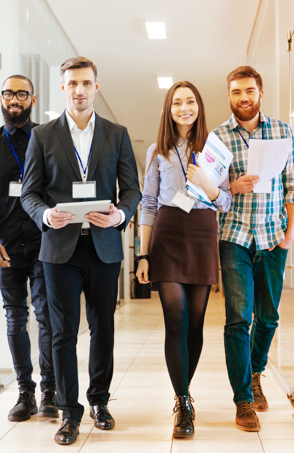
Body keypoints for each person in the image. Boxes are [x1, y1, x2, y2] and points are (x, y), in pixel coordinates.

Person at [20, 56, 141, 446]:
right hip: (60, 249)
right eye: (72, 83)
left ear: (96, 86)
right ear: (62, 87)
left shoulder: (117, 134)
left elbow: (132, 191)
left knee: (103, 328)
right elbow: (29, 194)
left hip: (104, 246)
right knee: (62, 332)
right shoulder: (43, 136)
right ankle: (69, 412)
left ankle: (99, 402)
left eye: (86, 83)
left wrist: (121, 214)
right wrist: (46, 214)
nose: (79, 90)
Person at [136, 81, 231, 438]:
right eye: (177, 103)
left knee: (195, 323)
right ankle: (183, 403)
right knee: (175, 317)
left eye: (190, 101)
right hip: (168, 230)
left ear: (199, 106)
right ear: (169, 109)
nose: (184, 108)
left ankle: (184, 390)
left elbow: (225, 201)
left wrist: (208, 185)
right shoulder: (158, 151)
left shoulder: (215, 148)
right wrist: (143, 254)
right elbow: (147, 203)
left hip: (203, 232)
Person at [0, 75, 57, 421]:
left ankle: (50, 390)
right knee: (14, 318)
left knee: (46, 316)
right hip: (4, 246)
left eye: (22, 93)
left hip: (42, 242)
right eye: (8, 93)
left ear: (32, 100)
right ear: (2, 98)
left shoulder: (48, 140)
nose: (14, 99)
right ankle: (25, 392)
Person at [213, 66, 294, 432]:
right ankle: (243, 399)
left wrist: (290, 233)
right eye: (235, 92)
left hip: (274, 236)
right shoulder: (217, 137)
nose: (242, 98)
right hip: (235, 238)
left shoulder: (282, 131)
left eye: (248, 91)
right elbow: (208, 196)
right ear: (229, 96)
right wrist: (231, 187)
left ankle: (256, 371)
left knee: (269, 317)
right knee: (238, 318)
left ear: (260, 92)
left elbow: (292, 186)